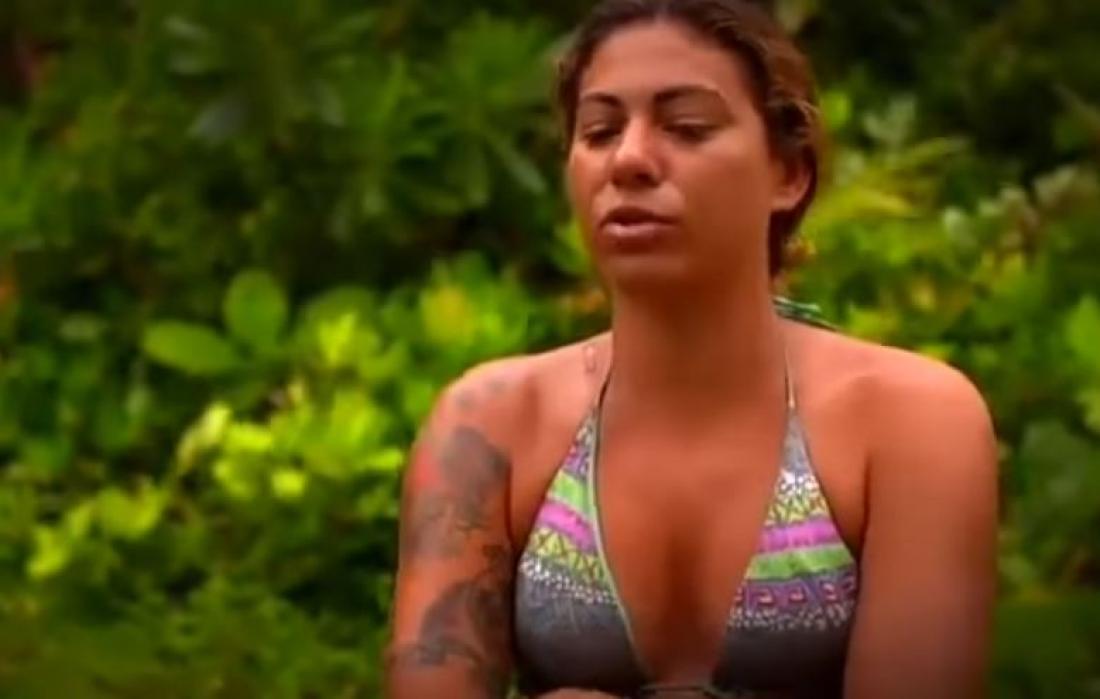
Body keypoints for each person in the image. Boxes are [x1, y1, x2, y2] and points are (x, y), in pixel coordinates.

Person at [384, 0, 999, 697]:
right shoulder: (491, 425)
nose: (630, 159)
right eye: (599, 131)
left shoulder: (909, 423)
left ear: (788, 173)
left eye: (687, 127)